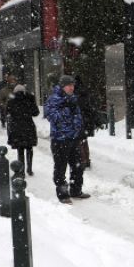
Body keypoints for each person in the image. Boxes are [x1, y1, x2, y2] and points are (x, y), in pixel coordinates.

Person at [44, 75, 89, 204]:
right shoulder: (54, 99)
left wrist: (78, 127)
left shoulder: (72, 99)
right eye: (69, 85)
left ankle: (76, 190)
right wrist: (66, 108)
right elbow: (52, 116)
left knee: (78, 165)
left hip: (74, 138)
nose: (72, 88)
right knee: (60, 167)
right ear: (62, 86)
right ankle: (63, 194)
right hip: (60, 139)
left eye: (73, 85)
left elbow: (78, 116)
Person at [5, 84, 39, 176]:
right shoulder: (29, 100)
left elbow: (7, 113)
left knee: (20, 150)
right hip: (28, 127)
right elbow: (36, 113)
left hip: (16, 128)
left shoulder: (11, 101)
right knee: (29, 148)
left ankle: (21, 170)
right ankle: (29, 169)